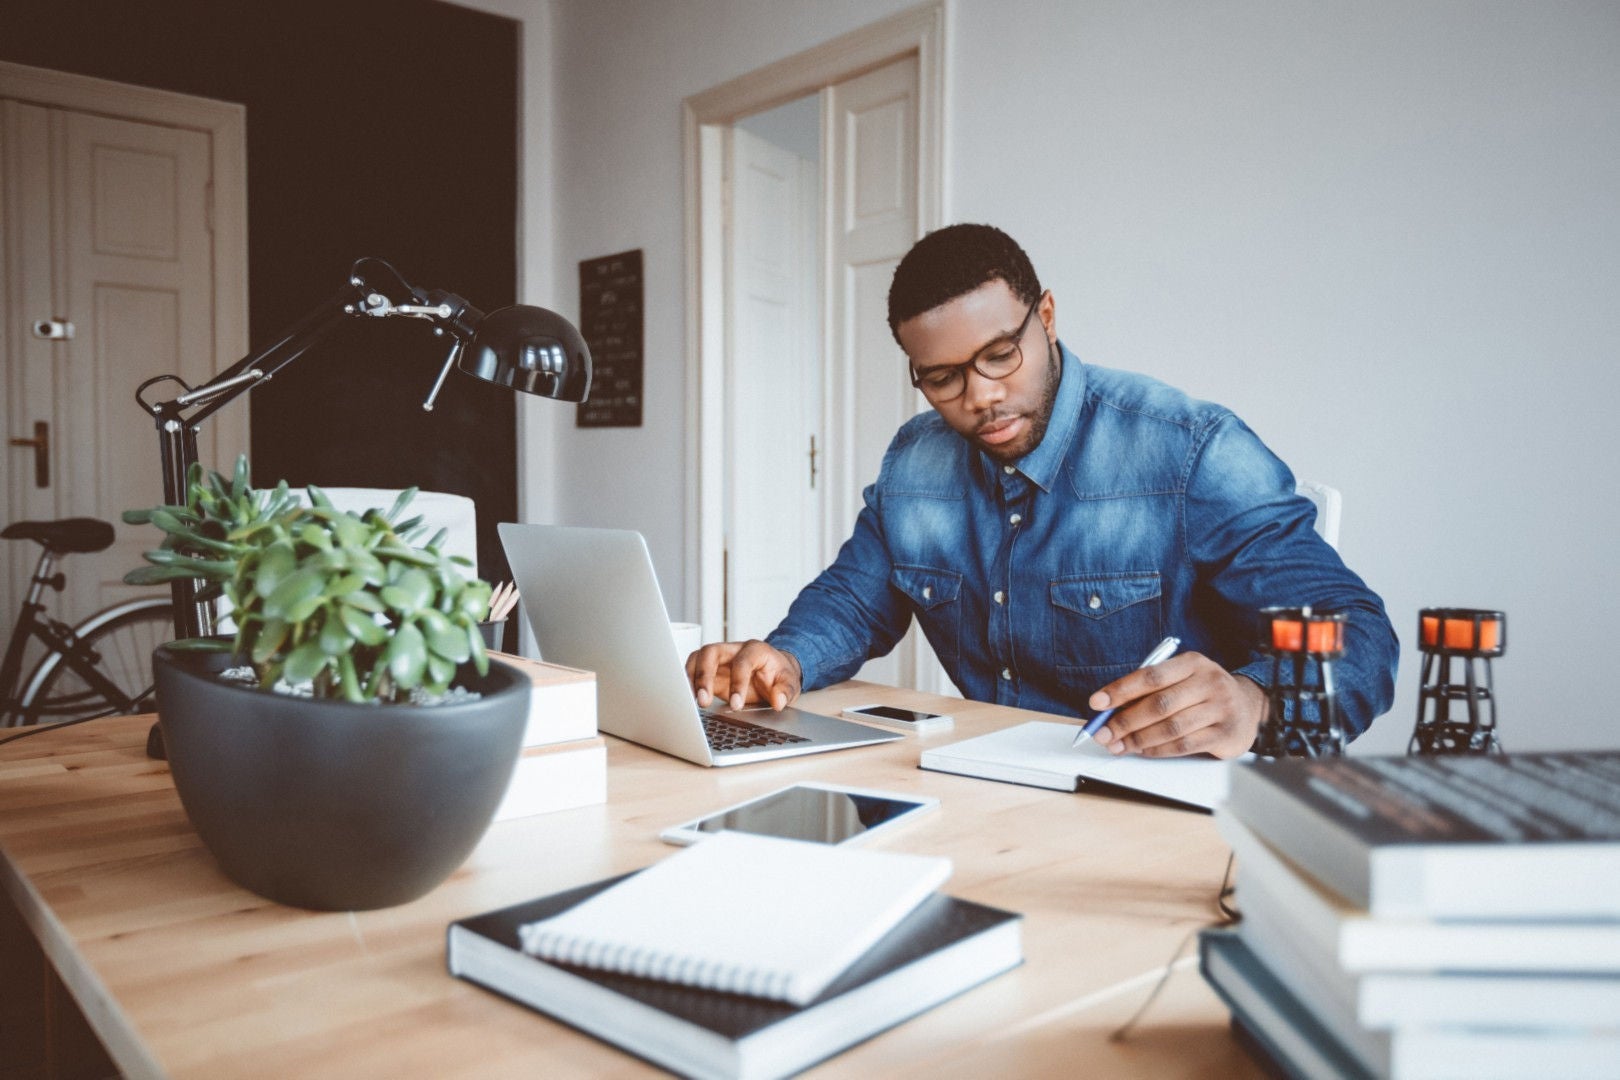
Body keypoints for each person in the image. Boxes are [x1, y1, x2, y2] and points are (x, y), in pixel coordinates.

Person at [687, 224, 1397, 758]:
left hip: (1154, 800)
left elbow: (1360, 633)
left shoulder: (1188, 448)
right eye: (943, 378)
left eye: (1001, 355)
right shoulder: (914, 462)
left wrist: (1254, 700)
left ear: (1047, 317)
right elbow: (853, 600)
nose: (983, 397)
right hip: (985, 786)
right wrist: (786, 658)